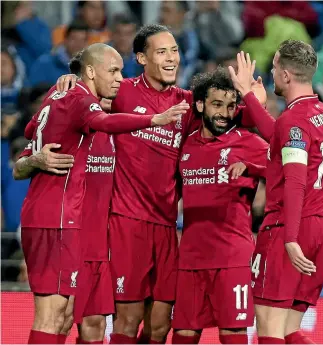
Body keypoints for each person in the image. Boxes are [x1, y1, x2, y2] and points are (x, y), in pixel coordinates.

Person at [56, 24, 269, 344]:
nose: (171, 58)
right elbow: (88, 96)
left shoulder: (187, 104)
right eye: (161, 51)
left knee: (159, 325)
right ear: (141, 58)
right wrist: (73, 80)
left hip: (168, 227)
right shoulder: (124, 91)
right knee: (127, 319)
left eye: (174, 50)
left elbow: (241, 118)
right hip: (127, 224)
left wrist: (251, 94)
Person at [13, 42, 189, 345]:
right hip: (61, 222)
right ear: (91, 73)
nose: (120, 79)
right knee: (52, 315)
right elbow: (22, 162)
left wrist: (61, 93)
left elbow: (32, 129)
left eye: (121, 72)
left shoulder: (67, 102)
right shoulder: (80, 106)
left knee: (70, 317)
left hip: (94, 235)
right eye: (113, 71)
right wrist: (153, 119)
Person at [229, 42, 323, 344]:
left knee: (269, 329)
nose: (272, 73)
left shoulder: (294, 121)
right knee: (291, 331)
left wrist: (290, 239)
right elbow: (281, 138)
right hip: (321, 227)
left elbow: (295, 181)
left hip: (289, 228)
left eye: (275, 67)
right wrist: (249, 97)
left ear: (287, 75)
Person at [172, 67, 268, 344]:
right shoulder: (185, 145)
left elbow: (290, 171)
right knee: (183, 334)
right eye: (216, 105)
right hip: (190, 258)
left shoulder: (250, 143)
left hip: (232, 259)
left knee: (233, 333)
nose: (224, 114)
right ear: (200, 104)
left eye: (230, 106)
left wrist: (253, 168)